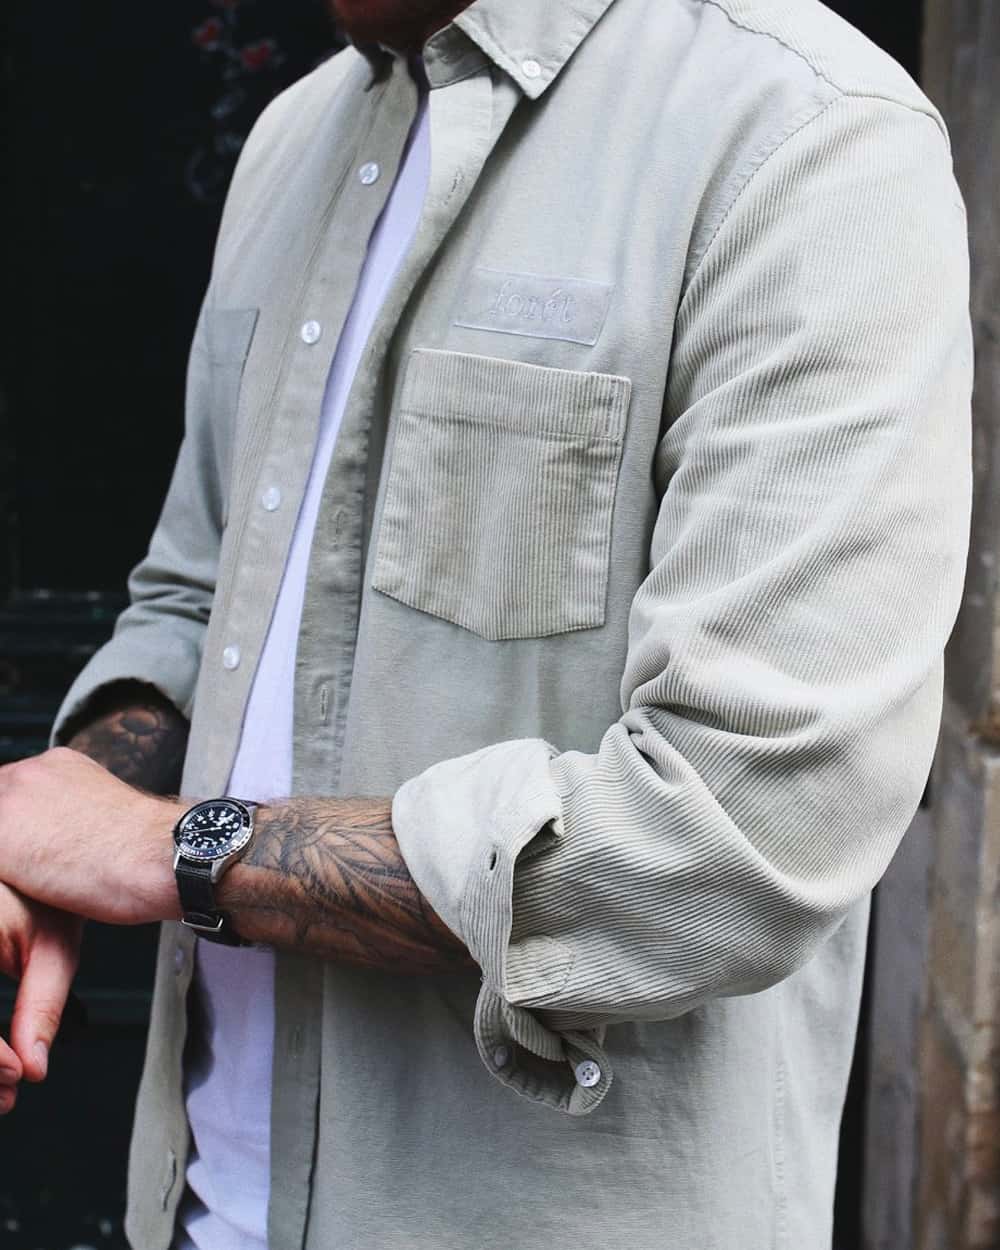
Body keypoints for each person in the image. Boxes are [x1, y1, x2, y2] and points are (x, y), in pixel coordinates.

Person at [0, 0, 972, 1247]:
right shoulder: (298, 138)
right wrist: (53, 824)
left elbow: (738, 838)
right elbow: (199, 601)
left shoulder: (807, 136)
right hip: (195, 1208)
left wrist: (166, 849)